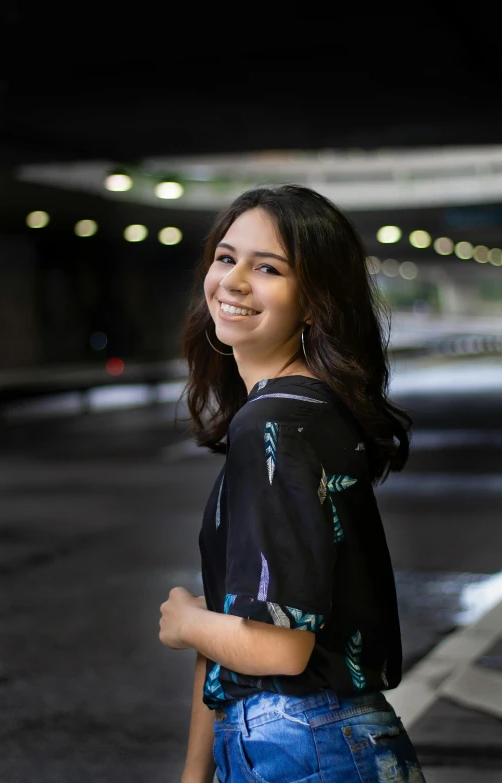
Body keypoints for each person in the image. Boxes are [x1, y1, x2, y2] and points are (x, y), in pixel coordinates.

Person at [158, 184, 426, 782]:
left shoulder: (275, 421)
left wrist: (187, 621)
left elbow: (281, 647)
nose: (232, 281)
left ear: (314, 302)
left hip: (300, 745)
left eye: (269, 267)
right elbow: (253, 622)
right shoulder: (307, 408)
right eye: (226, 258)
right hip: (309, 742)